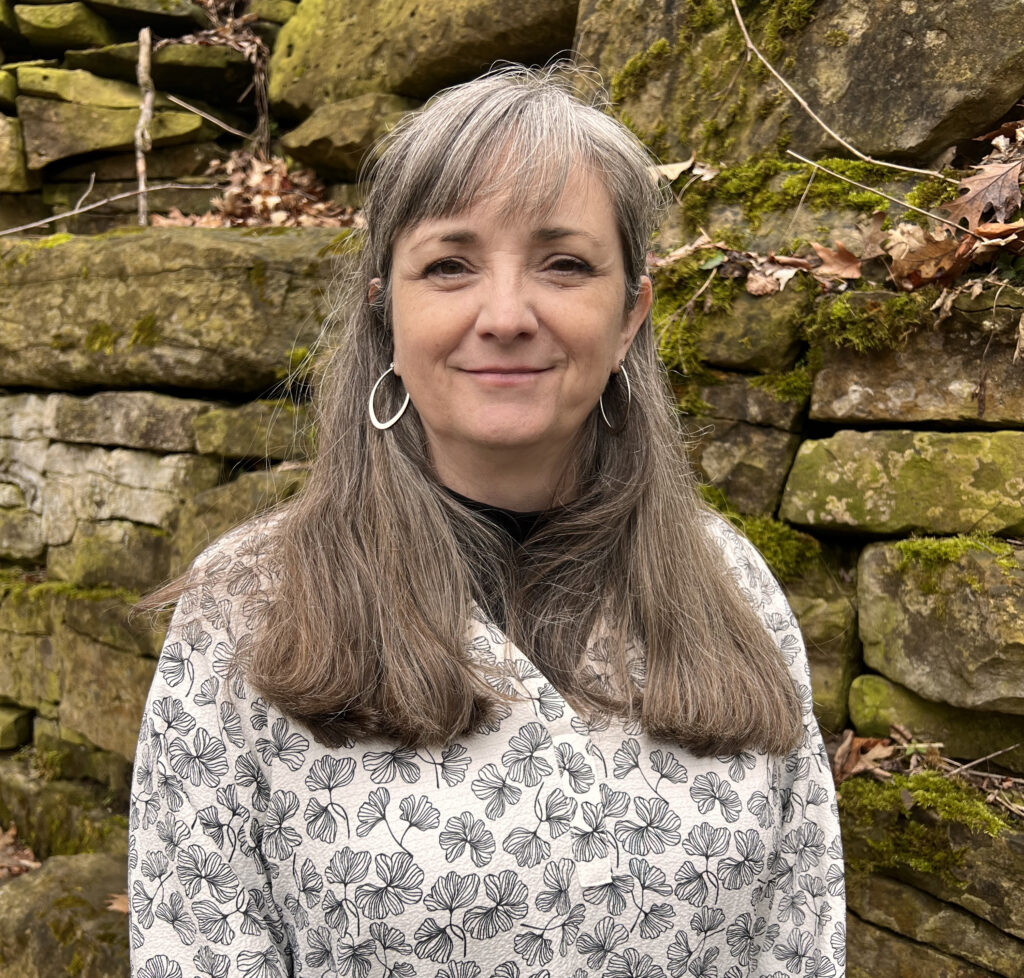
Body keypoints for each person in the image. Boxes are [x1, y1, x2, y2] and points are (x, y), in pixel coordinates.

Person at [129, 66, 845, 978]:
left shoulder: (733, 588)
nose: (505, 316)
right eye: (449, 265)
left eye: (564, 264)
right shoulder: (248, 606)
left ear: (630, 315)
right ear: (386, 311)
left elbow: (799, 935)